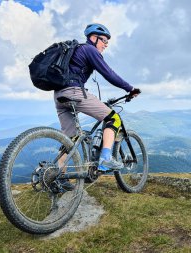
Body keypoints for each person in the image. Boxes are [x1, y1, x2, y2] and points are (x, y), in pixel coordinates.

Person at [54, 23, 140, 190]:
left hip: (58, 95)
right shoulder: (89, 49)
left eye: (107, 43)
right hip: (74, 91)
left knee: (69, 139)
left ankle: (58, 177)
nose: (106, 45)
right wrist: (130, 89)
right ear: (93, 38)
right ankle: (106, 157)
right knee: (113, 118)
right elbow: (109, 73)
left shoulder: (77, 51)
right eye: (104, 41)